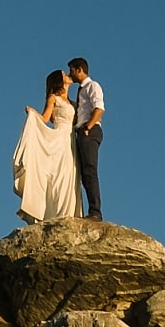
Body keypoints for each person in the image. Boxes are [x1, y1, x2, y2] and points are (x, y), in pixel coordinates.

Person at [13, 68, 76, 223]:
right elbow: (45, 118)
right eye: (64, 74)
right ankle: (55, 213)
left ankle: (67, 213)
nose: (67, 75)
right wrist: (33, 114)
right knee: (59, 175)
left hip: (71, 140)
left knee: (70, 175)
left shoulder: (72, 102)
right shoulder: (53, 98)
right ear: (59, 80)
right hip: (60, 138)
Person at [67, 57, 106, 220]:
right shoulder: (82, 90)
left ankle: (95, 212)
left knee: (90, 170)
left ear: (79, 70)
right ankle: (91, 210)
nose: (70, 74)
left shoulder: (92, 86)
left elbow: (99, 108)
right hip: (82, 131)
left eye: (71, 71)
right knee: (84, 173)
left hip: (89, 130)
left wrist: (88, 127)